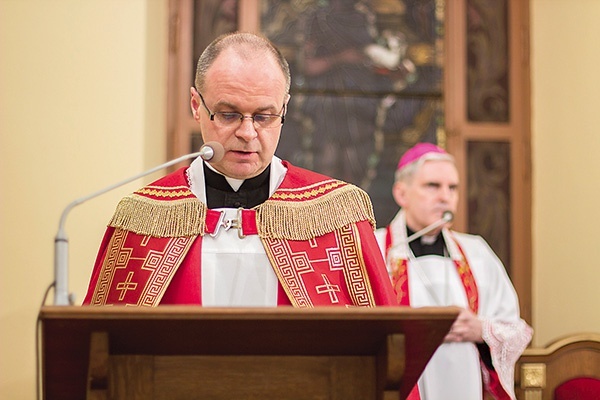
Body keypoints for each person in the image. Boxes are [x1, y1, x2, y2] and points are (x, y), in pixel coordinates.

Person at [83, 32, 396, 308]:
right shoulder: (144, 218)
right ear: (196, 105)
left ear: (284, 108)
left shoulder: (336, 214)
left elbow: (386, 350)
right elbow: (102, 354)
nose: (247, 133)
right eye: (229, 114)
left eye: (264, 116)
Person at [374, 142, 533, 400]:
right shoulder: (376, 248)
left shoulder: (476, 252)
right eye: (432, 186)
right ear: (401, 193)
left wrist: (481, 330)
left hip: (464, 385)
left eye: (453, 188)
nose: (445, 197)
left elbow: (516, 330)